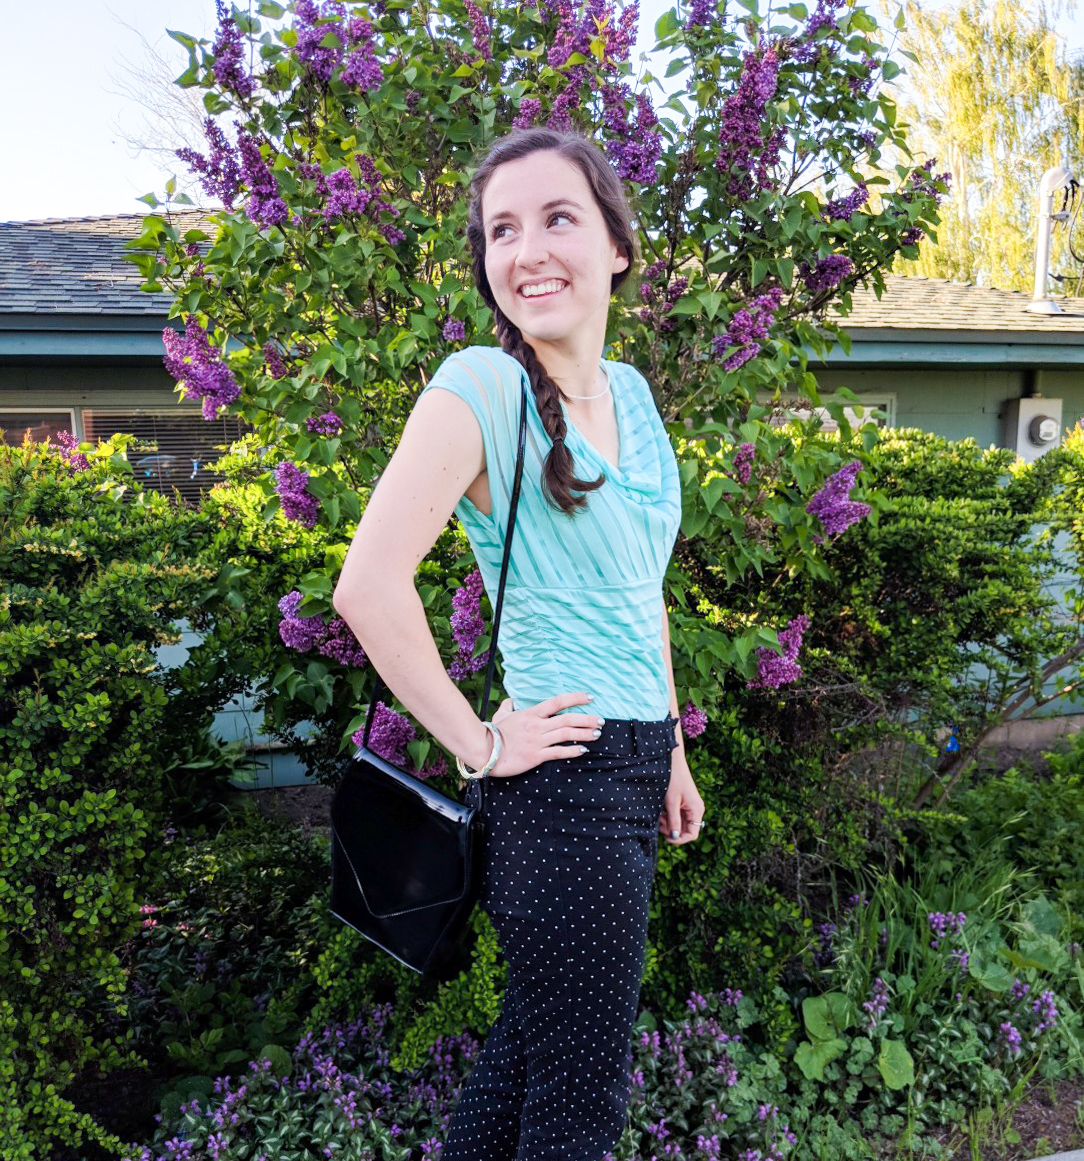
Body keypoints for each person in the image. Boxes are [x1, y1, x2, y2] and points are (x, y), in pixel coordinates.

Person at [332, 126, 705, 1161]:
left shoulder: (630, 395)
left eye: (557, 218)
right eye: (502, 230)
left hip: (633, 769)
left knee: (528, 1063)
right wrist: (481, 744)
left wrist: (671, 748)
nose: (527, 250)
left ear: (616, 247)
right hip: (563, 789)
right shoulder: (484, 389)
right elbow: (366, 586)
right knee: (577, 1105)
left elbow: (641, 590)